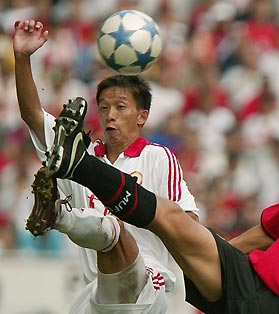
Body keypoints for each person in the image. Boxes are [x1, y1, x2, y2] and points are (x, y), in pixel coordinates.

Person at [30, 41, 279, 314]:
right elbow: (267, 232)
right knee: (172, 218)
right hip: (250, 276)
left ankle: (73, 180)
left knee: (171, 221)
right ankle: (77, 164)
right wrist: (205, 255)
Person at [13, 20, 200, 314]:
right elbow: (32, 115)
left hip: (146, 293)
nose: (110, 115)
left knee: (115, 228)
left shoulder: (158, 157)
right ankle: (65, 216)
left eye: (121, 107)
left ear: (142, 116)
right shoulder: (78, 156)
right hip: (96, 296)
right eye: (103, 107)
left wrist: (144, 213)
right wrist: (22, 58)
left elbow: (189, 222)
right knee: (108, 229)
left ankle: (60, 215)